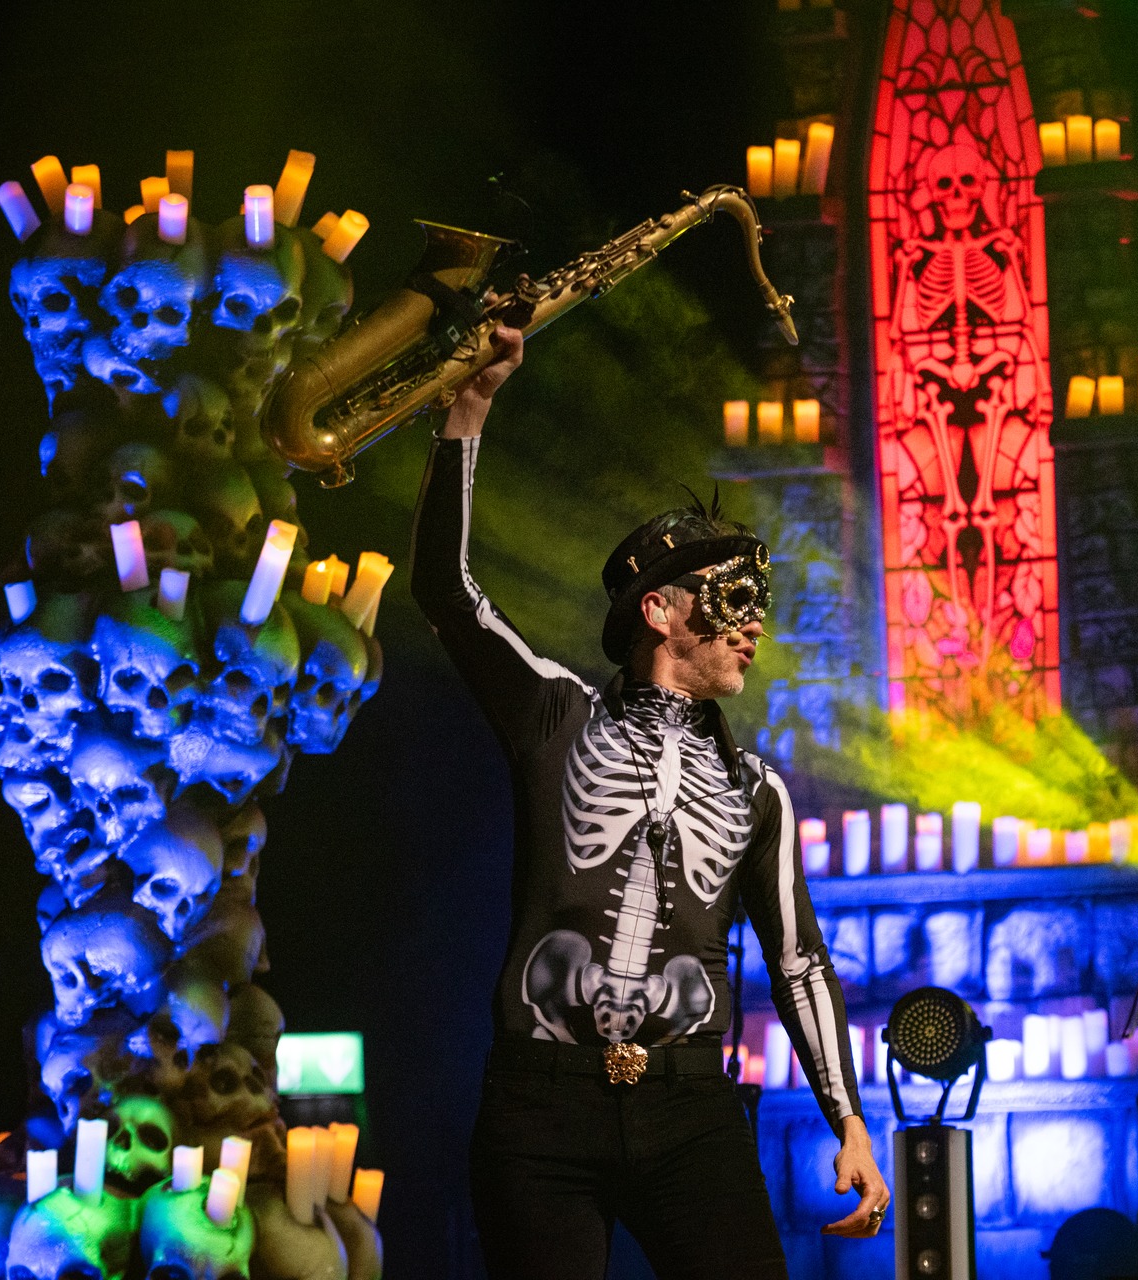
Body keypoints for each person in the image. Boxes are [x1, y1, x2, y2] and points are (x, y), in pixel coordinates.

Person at [409, 326, 889, 1279]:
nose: (754, 625)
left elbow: (798, 961)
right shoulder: (558, 716)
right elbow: (447, 593)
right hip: (543, 1105)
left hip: (690, 1109)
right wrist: (469, 407)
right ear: (660, 609)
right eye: (735, 598)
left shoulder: (756, 790)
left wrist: (851, 1121)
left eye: (761, 603)